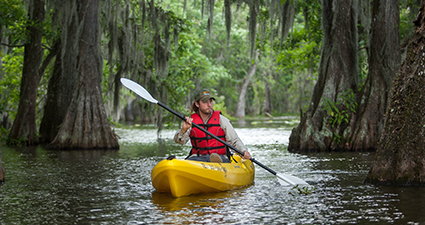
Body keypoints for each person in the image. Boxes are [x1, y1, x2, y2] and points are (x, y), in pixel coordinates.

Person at [174, 89, 251, 163]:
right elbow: (180, 141)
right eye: (205, 102)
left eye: (210, 102)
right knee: (193, 160)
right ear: (197, 104)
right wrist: (183, 130)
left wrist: (243, 151)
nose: (209, 105)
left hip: (221, 157)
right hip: (198, 158)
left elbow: (234, 141)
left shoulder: (222, 120)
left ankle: (215, 162)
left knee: (216, 158)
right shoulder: (190, 121)